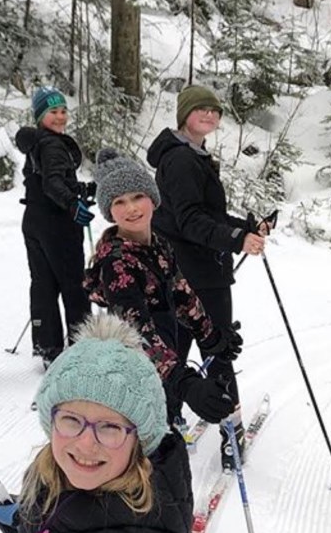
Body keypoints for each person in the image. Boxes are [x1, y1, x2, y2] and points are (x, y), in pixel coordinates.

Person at [0, 314, 198, 533]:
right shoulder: (56, 481)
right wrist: (28, 515)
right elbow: (78, 522)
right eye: (71, 420)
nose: (86, 443)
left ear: (140, 441)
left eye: (110, 427)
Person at [146, 85, 267, 459]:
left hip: (181, 269)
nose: (210, 116)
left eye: (215, 111)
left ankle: (166, 425)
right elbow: (189, 221)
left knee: (176, 349)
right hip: (198, 272)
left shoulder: (189, 154)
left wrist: (244, 226)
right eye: (201, 109)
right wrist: (235, 238)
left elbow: (201, 214)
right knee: (217, 349)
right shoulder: (182, 159)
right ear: (184, 114)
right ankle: (230, 436)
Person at [83, 148, 241, 433]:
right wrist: (185, 382)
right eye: (119, 201)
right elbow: (138, 331)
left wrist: (211, 335)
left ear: (153, 199)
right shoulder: (117, 264)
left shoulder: (157, 244)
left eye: (137, 196)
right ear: (109, 211)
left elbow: (181, 292)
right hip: (134, 379)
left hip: (161, 372)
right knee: (154, 461)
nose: (131, 208)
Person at [14, 86, 94, 368]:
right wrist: (73, 204)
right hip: (57, 222)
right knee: (74, 284)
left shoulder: (38, 142)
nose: (60, 117)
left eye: (63, 111)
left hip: (35, 219)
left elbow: (47, 178)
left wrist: (81, 189)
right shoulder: (52, 144)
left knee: (43, 283)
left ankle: (48, 347)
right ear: (40, 116)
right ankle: (83, 346)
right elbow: (53, 183)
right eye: (53, 112)